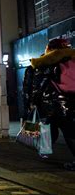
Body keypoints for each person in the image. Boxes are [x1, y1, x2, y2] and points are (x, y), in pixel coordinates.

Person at [23, 38, 75, 170]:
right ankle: (43, 151)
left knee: (47, 130)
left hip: (48, 104)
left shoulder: (40, 64)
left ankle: (43, 151)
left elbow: (34, 88)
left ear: (49, 49)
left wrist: (30, 105)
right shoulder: (70, 60)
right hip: (68, 102)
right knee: (69, 132)